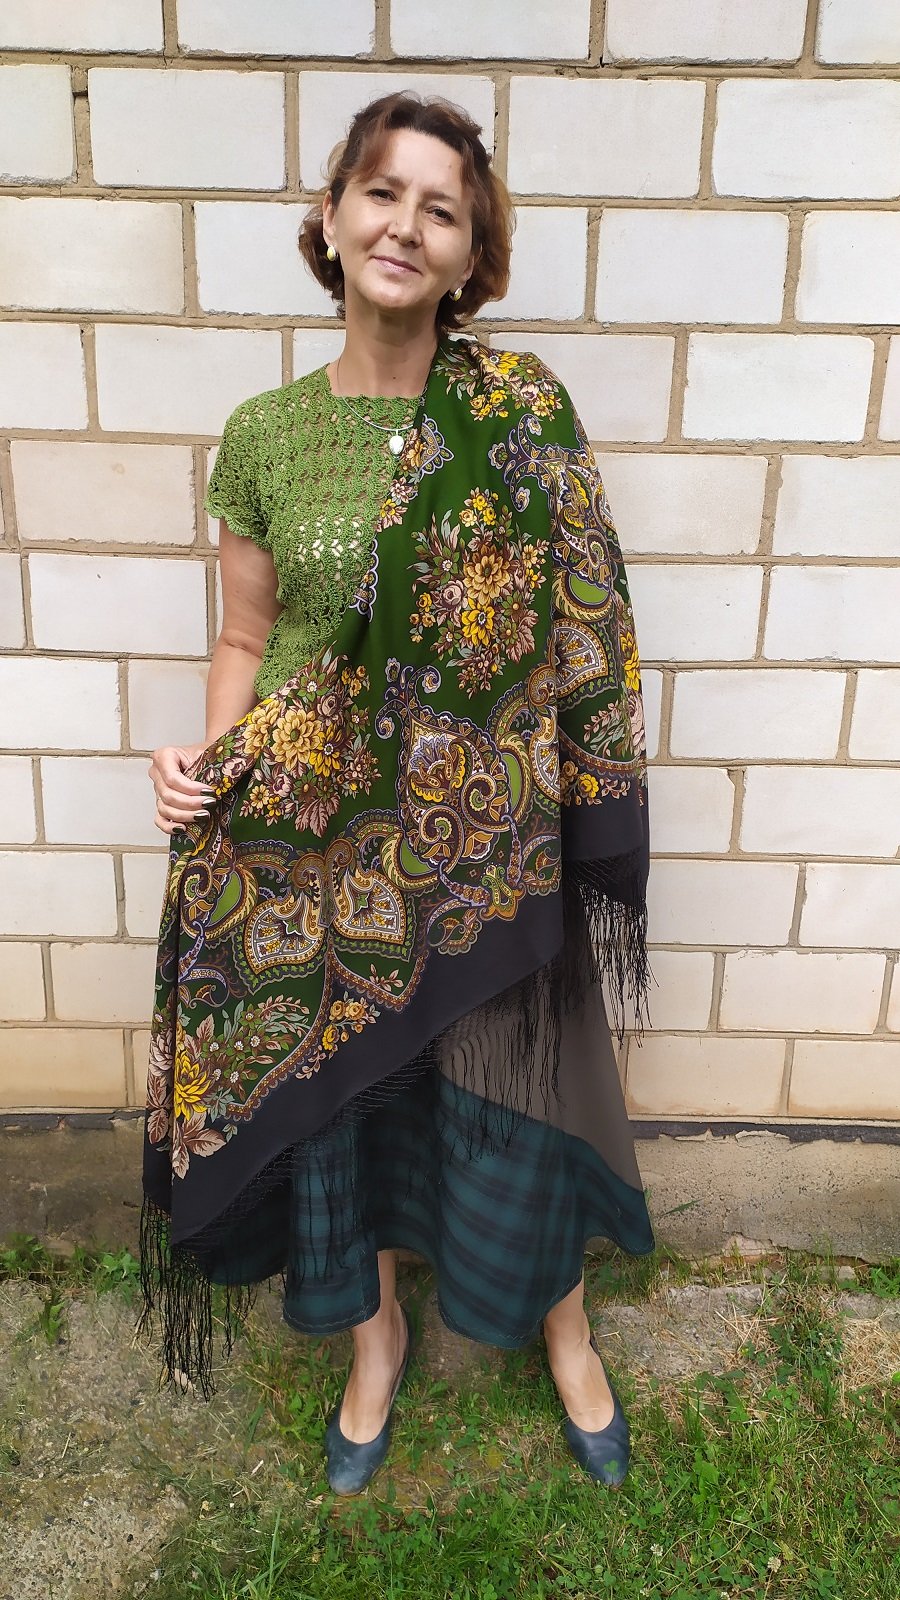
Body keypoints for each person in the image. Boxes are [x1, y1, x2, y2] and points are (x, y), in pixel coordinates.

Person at [139, 90, 655, 1495]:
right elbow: (248, 638)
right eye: (382, 192)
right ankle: (376, 1347)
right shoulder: (264, 433)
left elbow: (584, 619)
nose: (405, 226)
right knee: (343, 1108)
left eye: (441, 209)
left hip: (481, 835)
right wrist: (203, 767)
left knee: (519, 1083)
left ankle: (565, 1332)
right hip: (312, 834)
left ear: (471, 253)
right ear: (331, 217)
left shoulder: (519, 411)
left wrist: (580, 800)